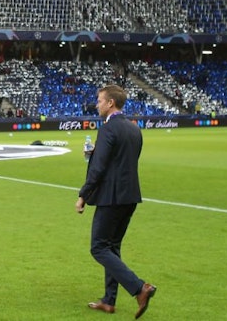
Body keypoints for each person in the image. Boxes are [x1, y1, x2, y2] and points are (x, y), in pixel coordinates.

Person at [75, 84, 156, 319]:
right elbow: (123, 161)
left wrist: (83, 195)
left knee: (99, 247)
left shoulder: (108, 129)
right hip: (130, 195)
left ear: (111, 103)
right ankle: (109, 300)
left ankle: (140, 288)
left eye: (100, 100)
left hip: (111, 197)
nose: (97, 104)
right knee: (112, 247)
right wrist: (96, 153)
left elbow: (99, 169)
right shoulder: (134, 129)